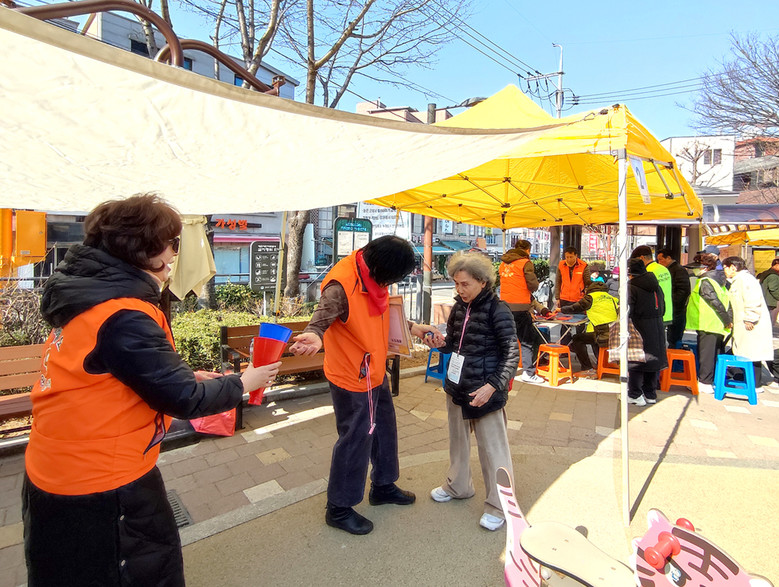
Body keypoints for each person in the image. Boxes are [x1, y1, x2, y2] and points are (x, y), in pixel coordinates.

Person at [23, 194, 281, 587]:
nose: (175, 253)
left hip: (54, 470)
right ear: (142, 249)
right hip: (104, 485)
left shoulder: (86, 296)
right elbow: (183, 401)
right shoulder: (124, 314)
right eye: (172, 243)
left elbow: (109, 372)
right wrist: (244, 383)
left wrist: (183, 375)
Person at [289, 235, 442, 536]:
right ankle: (338, 508)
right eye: (391, 279)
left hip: (373, 370)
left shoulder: (372, 275)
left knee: (384, 430)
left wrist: (415, 328)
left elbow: (383, 315)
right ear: (379, 269)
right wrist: (314, 335)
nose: (389, 285)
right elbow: (321, 318)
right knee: (355, 440)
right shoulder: (342, 284)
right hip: (351, 376)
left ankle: (383, 486)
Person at [430, 251, 519, 531]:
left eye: (465, 284)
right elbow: (454, 344)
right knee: (458, 443)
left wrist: (492, 386)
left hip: (485, 391)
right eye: (457, 283)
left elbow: (512, 354)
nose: (460, 289)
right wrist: (439, 343)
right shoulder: (459, 308)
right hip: (457, 387)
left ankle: (500, 505)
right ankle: (458, 486)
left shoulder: (498, 310)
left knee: (494, 451)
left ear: (482, 281)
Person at [722, 256, 773, 392]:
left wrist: (750, 318)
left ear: (733, 267)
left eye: (725, 267)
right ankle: (748, 381)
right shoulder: (738, 280)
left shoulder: (746, 280)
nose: (724, 270)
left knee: (753, 353)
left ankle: (755, 384)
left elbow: (753, 300)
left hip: (751, 324)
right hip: (743, 323)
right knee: (746, 352)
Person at [499, 239, 544, 384]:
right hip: (520, 307)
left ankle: (502, 370)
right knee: (527, 341)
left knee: (507, 341)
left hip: (504, 307)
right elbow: (533, 285)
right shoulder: (525, 263)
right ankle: (528, 373)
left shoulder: (503, 263)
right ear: (527, 250)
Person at [686, 253, 731, 394]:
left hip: (707, 322)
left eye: (697, 267)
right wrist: (727, 320)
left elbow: (714, 302)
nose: (695, 270)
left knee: (706, 355)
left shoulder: (705, 281)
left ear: (705, 268)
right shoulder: (719, 281)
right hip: (716, 323)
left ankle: (705, 382)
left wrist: (727, 320)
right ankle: (712, 381)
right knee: (714, 353)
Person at [626, 258, 668, 406]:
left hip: (639, 326)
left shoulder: (631, 287)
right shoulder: (656, 286)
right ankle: (650, 394)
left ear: (630, 273)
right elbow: (663, 307)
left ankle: (635, 394)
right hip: (657, 326)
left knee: (636, 360)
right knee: (652, 359)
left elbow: (627, 310)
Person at [560, 276, 618, 375]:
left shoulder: (590, 297)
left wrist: (561, 310)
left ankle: (587, 368)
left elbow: (574, 308)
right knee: (591, 335)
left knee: (577, 339)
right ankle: (601, 363)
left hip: (601, 334)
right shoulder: (611, 298)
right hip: (614, 333)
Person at [554, 247, 591, 345]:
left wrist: (586, 298)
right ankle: (564, 346)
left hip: (579, 299)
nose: (569, 259)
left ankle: (579, 346)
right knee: (564, 325)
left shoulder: (583, 266)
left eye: (571, 257)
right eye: (567, 257)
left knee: (580, 325)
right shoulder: (561, 265)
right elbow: (558, 282)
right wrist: (557, 297)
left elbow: (587, 283)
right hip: (564, 298)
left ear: (576, 256)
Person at [656, 248, 692, 348]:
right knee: (670, 337)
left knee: (674, 338)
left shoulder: (678, 270)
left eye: (661, 259)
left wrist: (672, 303)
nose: (659, 262)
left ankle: (674, 355)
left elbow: (683, 290)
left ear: (668, 258)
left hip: (676, 309)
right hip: (672, 308)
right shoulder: (668, 270)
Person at [631, 245, 673, 326]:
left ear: (641, 258)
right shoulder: (664, 269)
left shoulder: (647, 272)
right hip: (666, 312)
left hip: (653, 314)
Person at [759, 257, 779, 324]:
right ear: (776, 265)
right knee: (770, 321)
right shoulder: (773, 276)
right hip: (771, 302)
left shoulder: (766, 273)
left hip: (765, 300)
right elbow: (773, 289)